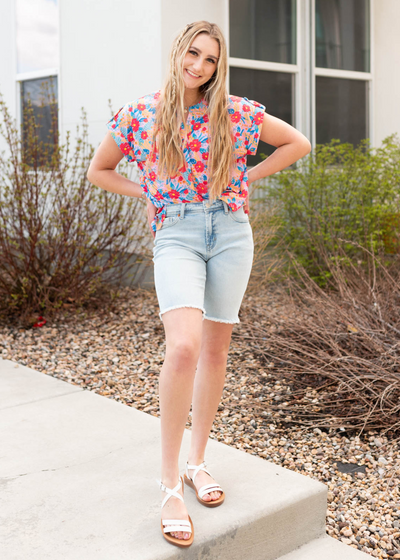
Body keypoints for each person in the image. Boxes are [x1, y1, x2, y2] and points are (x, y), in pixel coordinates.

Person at [87, 20, 311, 549]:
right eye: (194, 54)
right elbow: (100, 170)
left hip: (231, 230)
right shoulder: (141, 113)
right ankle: (169, 486)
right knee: (183, 347)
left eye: (211, 59)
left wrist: (244, 177)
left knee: (214, 351)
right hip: (177, 233)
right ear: (178, 52)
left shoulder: (232, 111)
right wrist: (147, 194)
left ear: (218, 66)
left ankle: (198, 463)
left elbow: (297, 143)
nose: (200, 66)